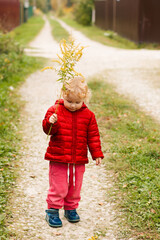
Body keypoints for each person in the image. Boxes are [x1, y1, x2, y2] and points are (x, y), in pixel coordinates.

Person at [42, 76, 104, 228]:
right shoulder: (55, 110)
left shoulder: (88, 115)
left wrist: (96, 153)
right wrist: (51, 122)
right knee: (59, 185)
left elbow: (93, 136)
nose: (73, 105)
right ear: (63, 95)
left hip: (79, 157)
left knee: (76, 185)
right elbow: (47, 130)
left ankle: (70, 208)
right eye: (70, 102)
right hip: (58, 156)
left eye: (78, 102)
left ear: (84, 99)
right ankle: (53, 210)